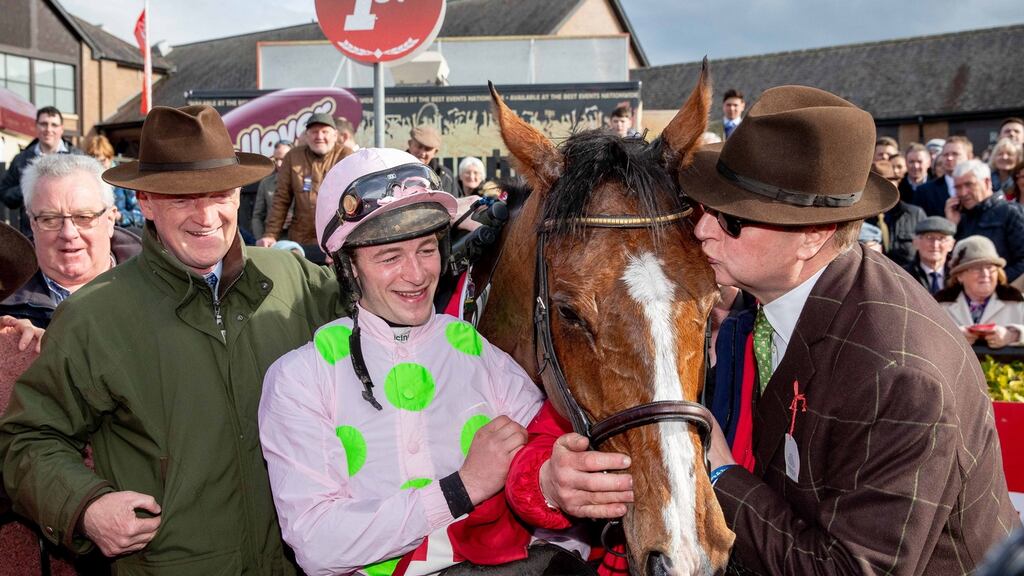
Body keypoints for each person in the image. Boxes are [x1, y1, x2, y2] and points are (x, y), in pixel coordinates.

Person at [525, 85, 1019, 574]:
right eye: (705, 207)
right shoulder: (782, 301)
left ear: (813, 235)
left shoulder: (898, 373)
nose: (702, 230)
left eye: (732, 220)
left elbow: (849, 571)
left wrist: (719, 471)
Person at [0, 105, 343, 574]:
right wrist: (87, 507)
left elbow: (390, 331)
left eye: (219, 192)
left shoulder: (297, 282)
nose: (205, 215)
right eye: (181, 197)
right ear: (145, 202)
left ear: (239, 193)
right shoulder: (93, 317)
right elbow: (26, 440)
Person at [258, 148, 565, 576]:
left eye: (426, 249)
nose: (417, 274)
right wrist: (463, 488)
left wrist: (555, 484)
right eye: (389, 258)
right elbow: (317, 542)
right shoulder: (298, 379)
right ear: (346, 267)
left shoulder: (479, 353)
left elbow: (548, 468)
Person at [0, 154, 141, 328]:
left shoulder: (162, 288)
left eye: (83, 217)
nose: (68, 233)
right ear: (33, 224)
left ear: (110, 219)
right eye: (50, 219)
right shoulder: (5, 308)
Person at [258, 113, 351, 247]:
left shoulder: (346, 156)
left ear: (335, 135)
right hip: (301, 240)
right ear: (306, 135)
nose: (319, 137)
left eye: (324, 131)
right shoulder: (293, 156)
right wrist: (270, 235)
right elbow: (281, 199)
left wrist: (345, 240)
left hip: (336, 240)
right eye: (314, 132)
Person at [1, 106, 83, 235]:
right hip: (32, 236)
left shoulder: (78, 158)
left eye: (54, 125)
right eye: (44, 124)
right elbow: (5, 195)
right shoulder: (21, 159)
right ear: (36, 126)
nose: (48, 129)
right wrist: (29, 187)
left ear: (61, 129)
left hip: (70, 233)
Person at [937, 235, 1024, 348]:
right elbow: (923, 340)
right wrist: (952, 337)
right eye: (976, 268)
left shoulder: (1019, 302)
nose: (985, 274)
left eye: (990, 267)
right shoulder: (939, 306)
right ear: (959, 276)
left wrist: (1013, 335)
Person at [945, 159, 1024, 282]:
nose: (963, 193)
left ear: (987, 182)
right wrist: (951, 228)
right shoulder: (961, 217)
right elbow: (952, 264)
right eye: (958, 187)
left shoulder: (1011, 212)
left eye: (969, 185)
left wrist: (993, 283)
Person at [84, 134, 144, 230]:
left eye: (102, 161)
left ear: (110, 157)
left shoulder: (124, 180)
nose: (98, 166)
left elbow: (142, 215)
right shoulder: (86, 183)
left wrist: (119, 216)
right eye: (94, 162)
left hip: (122, 233)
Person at [873, 159, 925, 268]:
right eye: (878, 184)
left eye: (890, 182)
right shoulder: (859, 220)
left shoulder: (915, 214)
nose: (884, 189)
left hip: (909, 279)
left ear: (897, 183)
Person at [913, 136, 972, 216]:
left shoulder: (981, 187)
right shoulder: (924, 192)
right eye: (945, 154)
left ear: (969, 157)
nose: (949, 158)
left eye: (955, 154)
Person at [903, 216, 957, 295]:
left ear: (951, 245)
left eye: (941, 238)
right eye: (929, 237)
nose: (935, 245)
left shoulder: (958, 275)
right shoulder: (904, 275)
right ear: (915, 243)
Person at [251, 140, 293, 238]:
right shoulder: (266, 183)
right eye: (276, 159)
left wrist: (295, 218)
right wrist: (261, 239)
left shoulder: (304, 181)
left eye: (283, 159)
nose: (278, 164)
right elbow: (257, 216)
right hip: (273, 241)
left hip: (300, 240)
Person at [406, 124, 457, 196]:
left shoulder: (446, 176)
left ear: (435, 152)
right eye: (419, 146)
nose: (422, 153)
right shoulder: (393, 171)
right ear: (410, 144)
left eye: (427, 149)